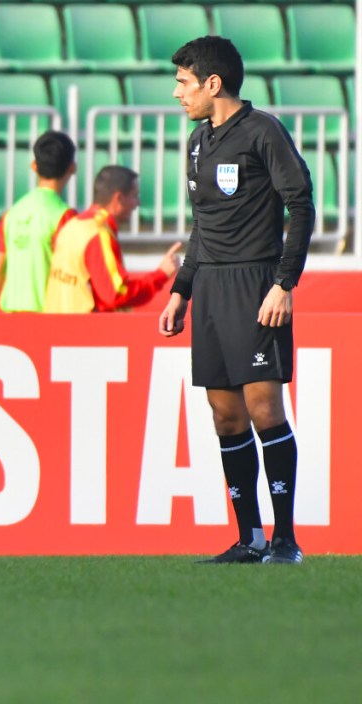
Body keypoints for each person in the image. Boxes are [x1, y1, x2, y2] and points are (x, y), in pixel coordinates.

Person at [159, 36, 314, 565]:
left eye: (183, 82)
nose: (177, 93)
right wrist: (181, 290)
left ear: (213, 83)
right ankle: (250, 538)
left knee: (264, 408)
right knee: (224, 416)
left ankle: (285, 540)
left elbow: (300, 203)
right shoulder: (198, 142)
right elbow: (202, 225)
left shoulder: (263, 131)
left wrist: (284, 282)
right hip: (210, 288)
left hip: (256, 285)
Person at [44, 165, 180, 313]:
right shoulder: (98, 233)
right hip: (82, 324)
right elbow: (115, 294)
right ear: (119, 198)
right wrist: (160, 275)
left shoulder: (73, 225)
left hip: (58, 321)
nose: (138, 203)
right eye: (134, 196)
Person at [0, 131, 78, 312]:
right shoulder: (65, 216)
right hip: (49, 317)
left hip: (12, 316)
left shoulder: (11, 214)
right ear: (72, 167)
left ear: (34, 166)